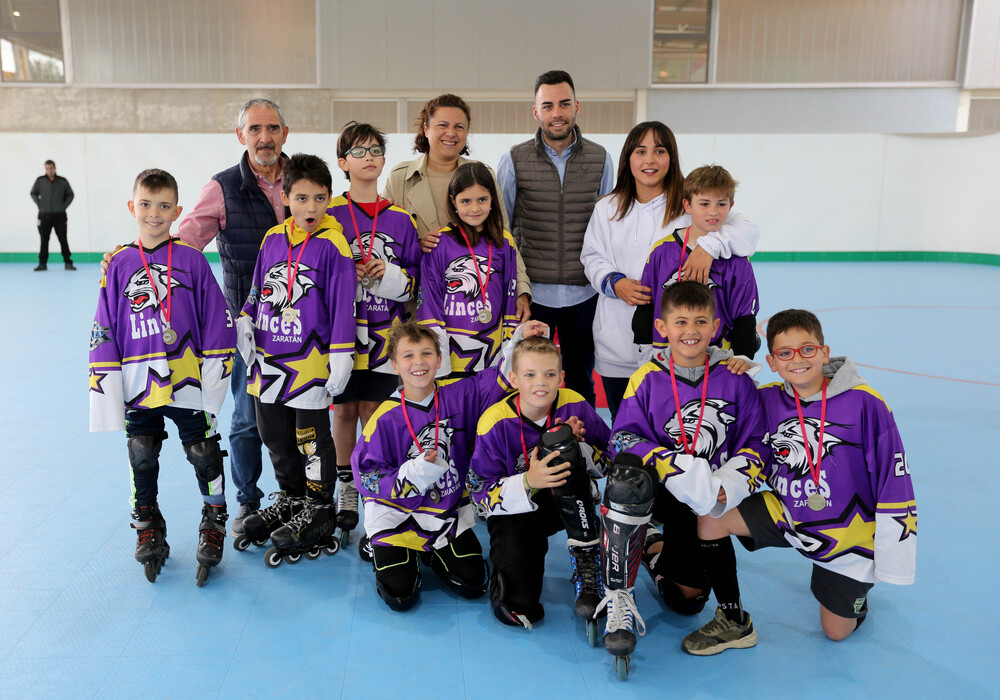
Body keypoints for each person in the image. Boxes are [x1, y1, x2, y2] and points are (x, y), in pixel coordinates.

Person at [687, 309, 916, 650]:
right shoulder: (766, 399)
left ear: (824, 352)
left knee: (835, 631)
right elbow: (720, 409)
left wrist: (891, 558)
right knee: (709, 519)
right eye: (785, 353)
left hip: (846, 535)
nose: (797, 360)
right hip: (788, 511)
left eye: (807, 349)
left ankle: (856, 597)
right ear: (773, 361)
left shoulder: (865, 403)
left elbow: (894, 478)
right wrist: (729, 365)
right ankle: (732, 616)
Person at [595, 281, 766, 671]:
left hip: (707, 496)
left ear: (715, 327)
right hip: (663, 489)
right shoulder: (647, 377)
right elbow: (621, 438)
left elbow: (758, 441)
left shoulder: (736, 378)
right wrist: (670, 463)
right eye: (681, 321)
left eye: (700, 321)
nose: (690, 330)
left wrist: (730, 484)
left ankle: (654, 548)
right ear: (662, 327)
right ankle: (618, 592)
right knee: (624, 480)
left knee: (686, 601)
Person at [89, 169, 235, 586]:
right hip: (139, 382)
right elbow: (105, 323)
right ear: (132, 207)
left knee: (204, 452)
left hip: (186, 379)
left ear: (178, 211)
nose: (155, 213)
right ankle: (148, 518)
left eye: (165, 206)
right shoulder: (118, 263)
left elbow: (216, 318)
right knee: (141, 451)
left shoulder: (191, 259)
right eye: (147, 205)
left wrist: (214, 376)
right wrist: (107, 382)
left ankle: (214, 515)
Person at [351, 320, 546, 611]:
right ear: (394, 365)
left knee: (474, 583)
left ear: (440, 359)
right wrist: (413, 474)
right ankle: (381, 544)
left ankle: (431, 551)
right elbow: (366, 477)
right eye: (408, 356)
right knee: (400, 596)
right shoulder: (384, 418)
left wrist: (519, 340)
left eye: (427, 354)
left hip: (446, 513)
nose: (418, 362)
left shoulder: (458, 394)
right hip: (397, 516)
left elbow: (499, 379)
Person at [582, 123, 760, 418]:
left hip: (684, 346)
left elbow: (747, 230)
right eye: (641, 151)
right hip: (617, 336)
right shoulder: (607, 207)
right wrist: (614, 283)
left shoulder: (690, 203)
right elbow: (592, 256)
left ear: (671, 157)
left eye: (659, 151)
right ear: (628, 158)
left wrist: (709, 247)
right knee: (624, 423)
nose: (650, 160)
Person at [235, 154, 356, 566]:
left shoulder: (333, 244)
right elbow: (256, 287)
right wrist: (246, 319)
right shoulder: (272, 238)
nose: (311, 208)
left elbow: (343, 306)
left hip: (310, 361)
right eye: (301, 198)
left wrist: (342, 353)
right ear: (285, 197)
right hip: (268, 359)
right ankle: (290, 496)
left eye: (320, 199)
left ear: (328, 200)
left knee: (310, 440)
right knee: (274, 434)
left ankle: (319, 505)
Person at [178, 97, 291, 536]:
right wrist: (133, 257)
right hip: (247, 329)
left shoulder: (303, 178)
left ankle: (295, 497)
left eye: (273, 128)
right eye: (255, 129)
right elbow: (185, 244)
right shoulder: (222, 187)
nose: (265, 137)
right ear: (241, 135)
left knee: (298, 416)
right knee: (246, 420)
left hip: (301, 328)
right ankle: (247, 500)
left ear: (285, 133)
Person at [468, 335, 610, 636]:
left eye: (549, 374)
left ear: (561, 377)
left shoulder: (574, 403)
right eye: (530, 375)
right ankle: (507, 573)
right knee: (521, 604)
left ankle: (586, 556)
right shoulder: (494, 421)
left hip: (569, 500)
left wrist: (581, 448)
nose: (540, 383)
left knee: (566, 448)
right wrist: (528, 481)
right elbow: (480, 494)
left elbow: (610, 455)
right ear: (515, 378)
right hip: (518, 511)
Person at [327, 121, 422, 544]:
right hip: (343, 335)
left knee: (375, 413)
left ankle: (374, 488)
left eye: (375, 150)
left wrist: (391, 274)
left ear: (384, 159)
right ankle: (346, 485)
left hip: (387, 334)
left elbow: (417, 280)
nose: (368, 158)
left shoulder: (401, 219)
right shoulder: (328, 213)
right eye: (358, 152)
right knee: (344, 411)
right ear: (343, 162)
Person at [497, 70, 615, 405]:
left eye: (564, 104)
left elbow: (608, 226)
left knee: (580, 382)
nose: (557, 113)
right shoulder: (513, 159)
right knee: (530, 384)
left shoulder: (600, 158)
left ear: (576, 106)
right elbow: (502, 230)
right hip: (533, 298)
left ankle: (584, 452)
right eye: (547, 106)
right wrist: (517, 288)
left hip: (585, 294)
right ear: (536, 112)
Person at [384, 93, 531, 322]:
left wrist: (521, 289)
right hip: (418, 304)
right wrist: (415, 246)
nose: (451, 133)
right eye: (443, 125)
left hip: (475, 306)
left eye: (459, 127)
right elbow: (388, 244)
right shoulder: (400, 178)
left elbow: (503, 236)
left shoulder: (483, 175)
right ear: (426, 128)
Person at [641, 165, 760, 359]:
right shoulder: (662, 250)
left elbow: (744, 318)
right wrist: (645, 348)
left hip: (721, 359)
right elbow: (647, 304)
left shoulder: (739, 260)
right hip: (666, 357)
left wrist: (743, 360)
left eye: (721, 204)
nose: (713, 212)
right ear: (687, 205)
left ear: (731, 206)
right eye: (704, 204)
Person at [417, 162, 522, 377]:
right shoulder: (439, 242)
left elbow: (510, 302)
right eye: (466, 201)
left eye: (482, 200)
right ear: (453, 202)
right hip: (450, 360)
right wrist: (438, 357)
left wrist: (509, 351)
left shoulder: (505, 242)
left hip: (492, 356)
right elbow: (429, 303)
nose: (475, 208)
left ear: (492, 199)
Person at [30, 159, 75, 270]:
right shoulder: (40, 181)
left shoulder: (62, 181)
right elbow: (33, 193)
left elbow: (70, 194)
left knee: (63, 239)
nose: (49, 170)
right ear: (45, 169)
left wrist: (63, 206)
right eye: (47, 168)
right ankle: (42, 264)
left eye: (51, 168)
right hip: (44, 215)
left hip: (59, 216)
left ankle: (68, 262)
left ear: (54, 168)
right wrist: (40, 204)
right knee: (44, 240)